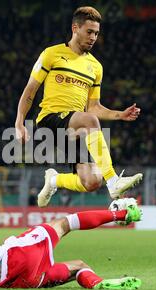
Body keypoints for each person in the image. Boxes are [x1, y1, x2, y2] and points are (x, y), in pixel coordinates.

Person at [15, 6, 143, 207]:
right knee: (89, 121)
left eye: (97, 33)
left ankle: (54, 180)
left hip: (74, 125)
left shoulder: (96, 67)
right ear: (75, 28)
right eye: (89, 32)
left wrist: (120, 115)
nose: (93, 37)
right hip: (50, 119)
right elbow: (30, 90)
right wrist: (19, 123)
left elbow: (93, 107)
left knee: (91, 182)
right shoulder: (52, 54)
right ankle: (114, 181)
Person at [0, 198, 143, 290]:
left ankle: (101, 284)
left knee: (78, 266)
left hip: (20, 281)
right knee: (64, 223)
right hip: (14, 256)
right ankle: (122, 214)